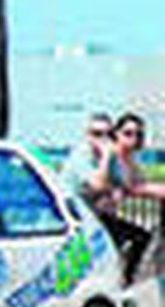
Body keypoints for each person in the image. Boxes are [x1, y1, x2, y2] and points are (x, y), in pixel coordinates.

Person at [70, 111, 163, 283]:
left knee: (140, 238)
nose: (103, 139)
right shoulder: (82, 156)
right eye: (97, 134)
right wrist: (106, 156)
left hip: (96, 217)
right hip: (76, 220)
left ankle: (126, 282)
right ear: (87, 135)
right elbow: (97, 185)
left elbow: (129, 185)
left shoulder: (113, 158)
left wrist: (128, 156)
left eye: (107, 134)